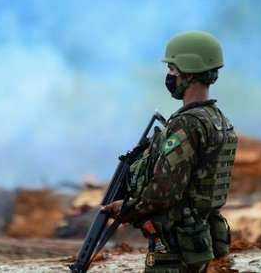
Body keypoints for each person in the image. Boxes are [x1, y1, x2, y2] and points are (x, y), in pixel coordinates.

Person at [102, 30, 238, 273]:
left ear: (189, 72)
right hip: (198, 236)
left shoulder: (186, 124)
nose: (169, 76)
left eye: (173, 70)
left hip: (176, 245)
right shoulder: (218, 119)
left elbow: (165, 191)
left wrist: (127, 209)